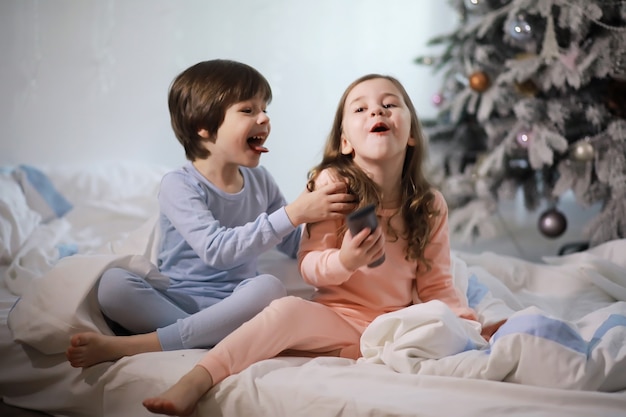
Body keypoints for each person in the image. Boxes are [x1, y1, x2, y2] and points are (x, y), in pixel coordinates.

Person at [142, 73, 505, 416]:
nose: (376, 111)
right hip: (339, 317)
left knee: (447, 322)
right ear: (345, 142)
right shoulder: (333, 185)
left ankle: (366, 350)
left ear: (411, 133)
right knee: (284, 311)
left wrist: (466, 325)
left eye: (390, 104)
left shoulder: (429, 204)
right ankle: (196, 379)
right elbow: (308, 263)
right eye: (360, 109)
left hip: (397, 322)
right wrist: (345, 261)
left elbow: (436, 283)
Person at [65, 59, 355, 368]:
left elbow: (289, 244)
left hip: (233, 302)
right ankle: (209, 337)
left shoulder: (260, 180)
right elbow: (216, 250)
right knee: (112, 285)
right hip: (177, 299)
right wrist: (294, 213)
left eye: (265, 109)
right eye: (248, 110)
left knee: (268, 287)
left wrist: (339, 237)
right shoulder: (179, 184)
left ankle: (144, 343)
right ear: (202, 126)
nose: (264, 119)